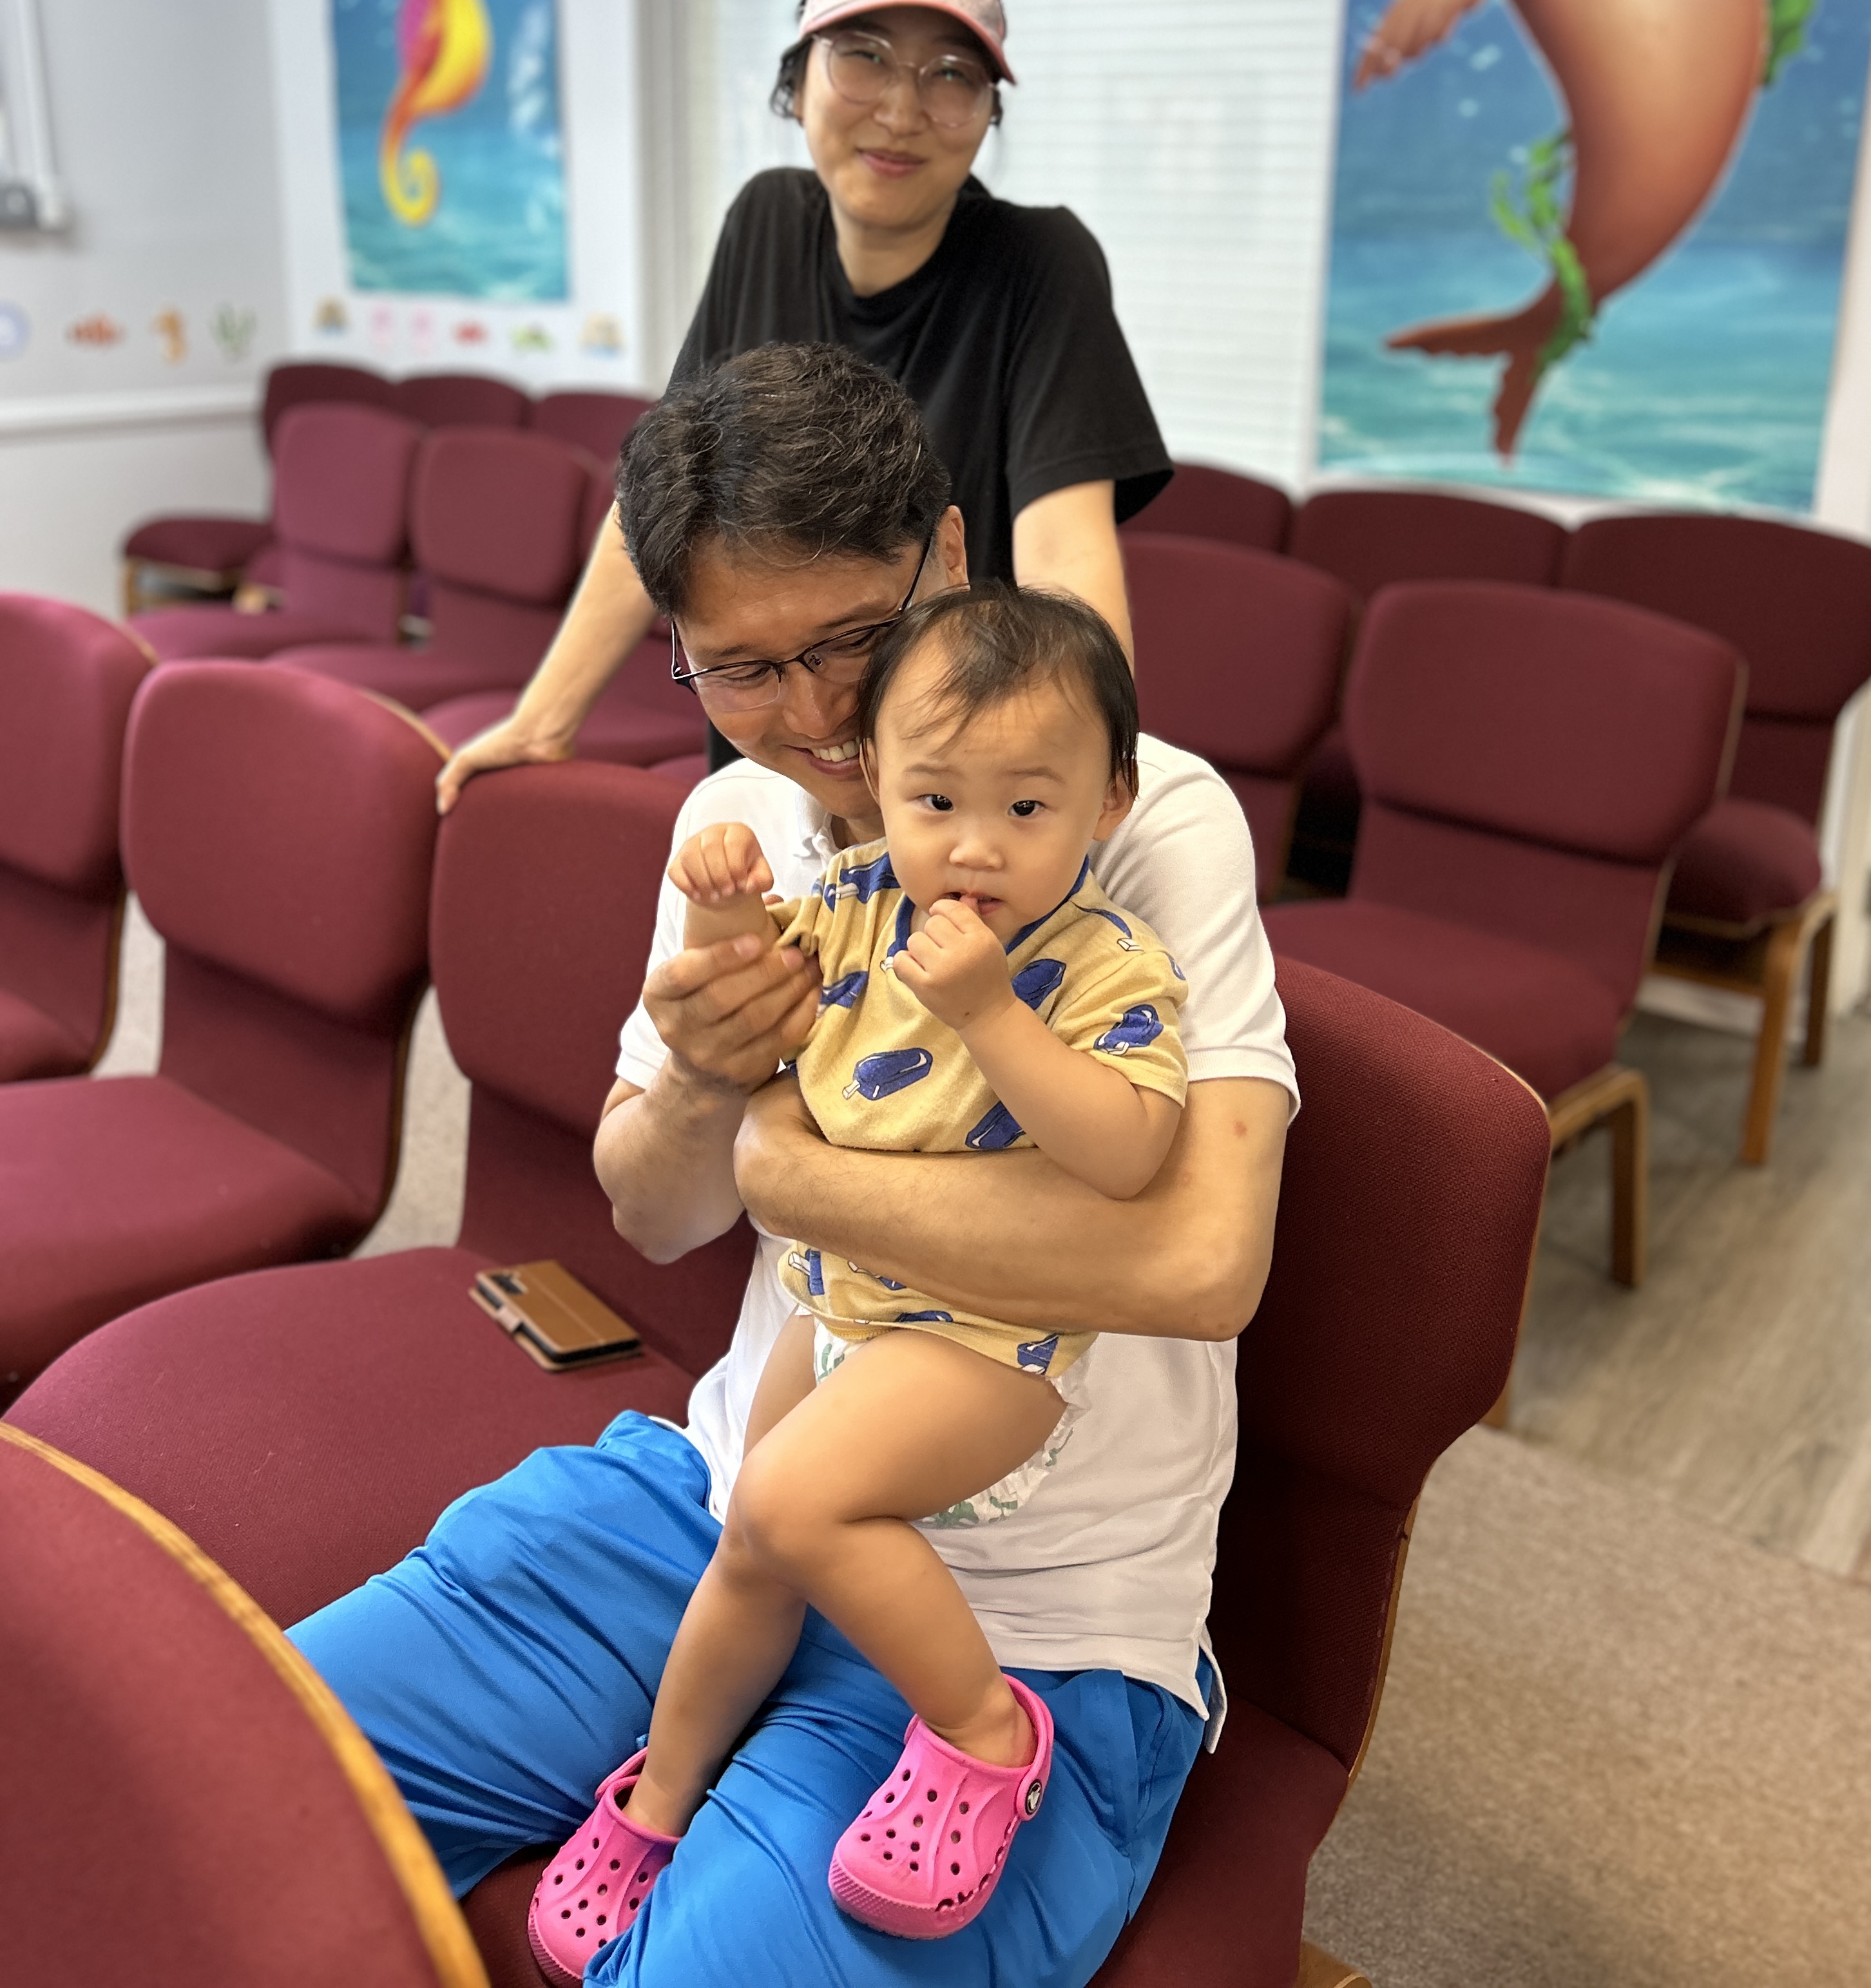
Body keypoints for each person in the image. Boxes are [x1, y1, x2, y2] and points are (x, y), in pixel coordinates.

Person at [291, 346, 1296, 1988]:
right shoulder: (751, 821)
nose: (821, 719)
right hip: (726, 1503)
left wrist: (787, 1161)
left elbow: (1201, 1264)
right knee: (231, 1779)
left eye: (851, 640)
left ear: (950, 555)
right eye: (746, 668)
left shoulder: (1124, 816)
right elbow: (653, 1207)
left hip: (1036, 1621)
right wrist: (705, 1079)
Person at [526, 588, 1189, 1973]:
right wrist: (717, 918)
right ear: (879, 782)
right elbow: (748, 1009)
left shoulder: (1103, 961)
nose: (975, 845)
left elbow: (1129, 1153)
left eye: (1028, 808)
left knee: (789, 1496)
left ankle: (986, 1731)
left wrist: (990, 1013)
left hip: (988, 1343)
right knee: (752, 1546)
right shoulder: (856, 898)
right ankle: (657, 1804)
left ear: (1110, 802)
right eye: (938, 800)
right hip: (844, 1308)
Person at [433, 0, 1170, 812]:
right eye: (863, 56)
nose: (901, 112)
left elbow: (1064, 553)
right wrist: (544, 721)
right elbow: (662, 508)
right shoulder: (767, 222)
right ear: (796, 81)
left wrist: (1069, 791)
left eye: (952, 74)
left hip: (952, 786)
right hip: (777, 754)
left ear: (989, 114)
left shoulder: (1040, 263)